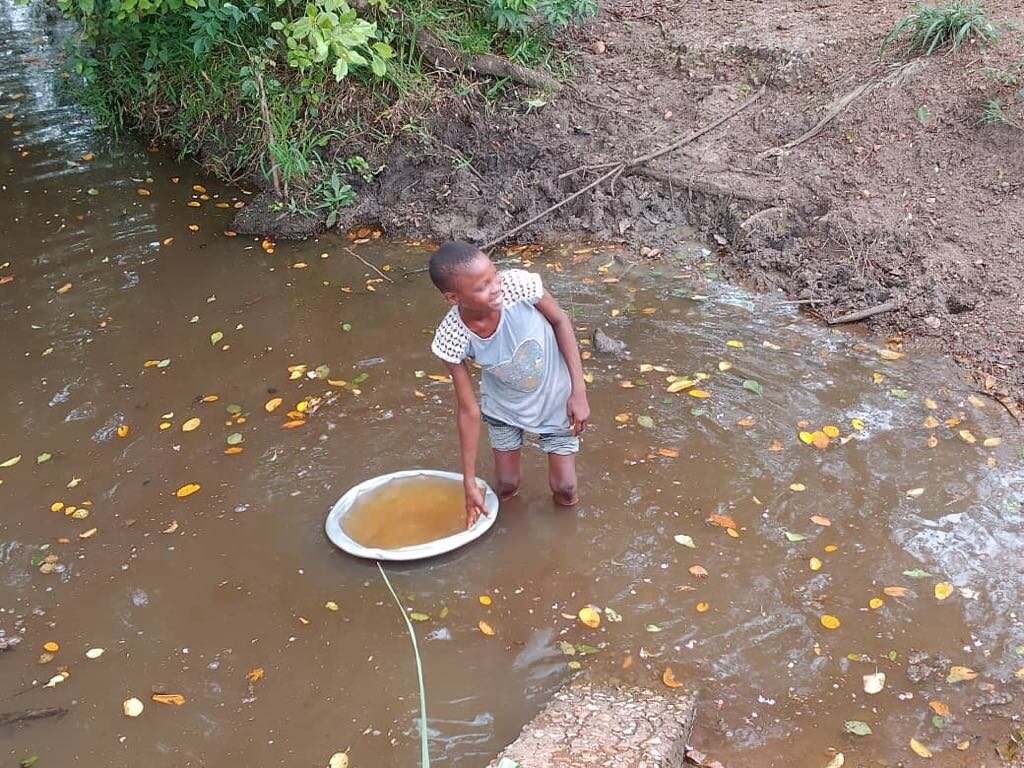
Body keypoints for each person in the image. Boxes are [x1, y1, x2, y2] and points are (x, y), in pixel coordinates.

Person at [429, 240, 590, 526]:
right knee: (505, 484)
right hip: (504, 407)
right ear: (453, 298)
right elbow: (468, 410)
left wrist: (579, 391)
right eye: (482, 287)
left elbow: (560, 321)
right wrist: (468, 481)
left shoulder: (519, 286)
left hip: (555, 399)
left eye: (494, 276)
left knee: (565, 487)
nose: (496, 288)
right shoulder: (452, 337)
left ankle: (567, 536)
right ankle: (510, 532)